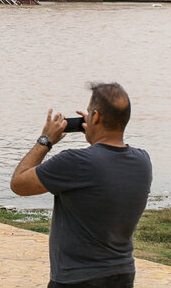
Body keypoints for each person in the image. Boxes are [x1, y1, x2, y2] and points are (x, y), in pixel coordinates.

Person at [9, 83, 152, 288]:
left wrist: (45, 140)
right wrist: (96, 136)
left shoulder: (75, 162)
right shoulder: (142, 161)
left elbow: (19, 183)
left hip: (76, 280)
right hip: (122, 275)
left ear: (94, 117)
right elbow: (105, 165)